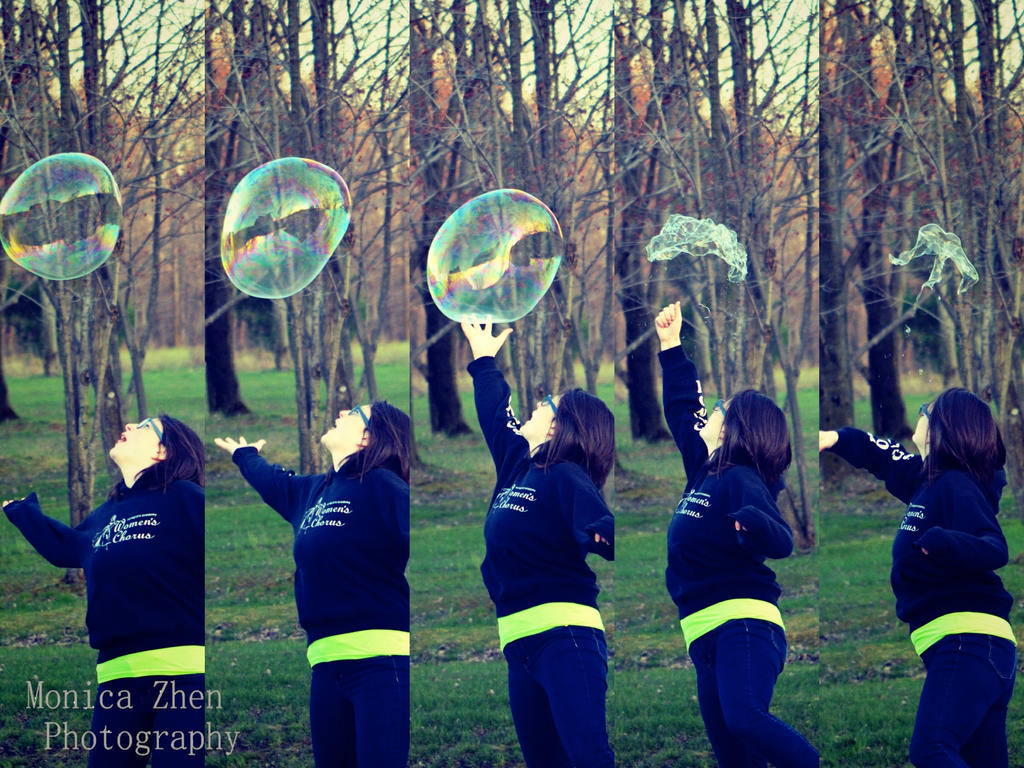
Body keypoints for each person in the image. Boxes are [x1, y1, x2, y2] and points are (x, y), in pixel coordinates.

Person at [655, 301, 818, 768]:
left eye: (719, 409)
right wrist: (671, 347)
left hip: (742, 625)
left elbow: (782, 540)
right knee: (734, 757)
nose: (711, 411)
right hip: (704, 629)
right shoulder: (705, 470)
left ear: (736, 431)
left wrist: (754, 521)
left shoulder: (741, 477)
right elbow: (683, 410)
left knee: (746, 720)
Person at [820, 387, 1016, 767]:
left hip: (967, 641)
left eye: (926, 410)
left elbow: (994, 546)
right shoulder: (928, 480)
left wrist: (944, 541)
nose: (920, 414)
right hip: (977, 647)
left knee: (931, 750)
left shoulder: (955, 484)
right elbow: (885, 459)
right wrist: (838, 439)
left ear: (943, 427)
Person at [214, 401, 410, 768]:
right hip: (325, 666)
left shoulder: (385, 487)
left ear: (368, 436)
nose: (340, 414)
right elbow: (274, 483)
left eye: (353, 414)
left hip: (382, 664)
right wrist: (244, 455)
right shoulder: (314, 491)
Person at [3, 415, 205, 767]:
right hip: (116, 678)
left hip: (182, 675)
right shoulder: (108, 513)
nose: (128, 427)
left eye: (143, 426)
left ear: (162, 451)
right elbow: (68, 547)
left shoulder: (186, 498)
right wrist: (23, 513)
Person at [460, 321, 615, 768]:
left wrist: (599, 535)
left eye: (546, 405)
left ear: (559, 429)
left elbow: (596, 517)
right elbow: (495, 415)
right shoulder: (517, 465)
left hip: (564, 636)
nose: (535, 405)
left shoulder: (565, 473)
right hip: (518, 639)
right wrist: (483, 360)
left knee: (587, 757)